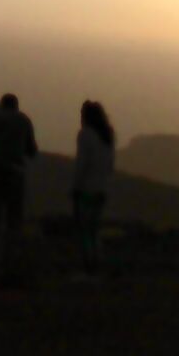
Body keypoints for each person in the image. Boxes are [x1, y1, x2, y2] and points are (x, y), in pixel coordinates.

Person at [0, 92, 39, 281]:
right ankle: (10, 264)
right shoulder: (24, 121)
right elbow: (31, 150)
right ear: (16, 105)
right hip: (15, 173)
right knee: (14, 222)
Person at [69, 100, 116, 280]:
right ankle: (97, 263)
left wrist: (75, 186)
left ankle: (89, 265)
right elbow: (110, 164)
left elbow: (82, 163)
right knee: (94, 229)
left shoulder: (85, 135)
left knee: (84, 229)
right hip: (102, 187)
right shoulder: (108, 135)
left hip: (86, 187)